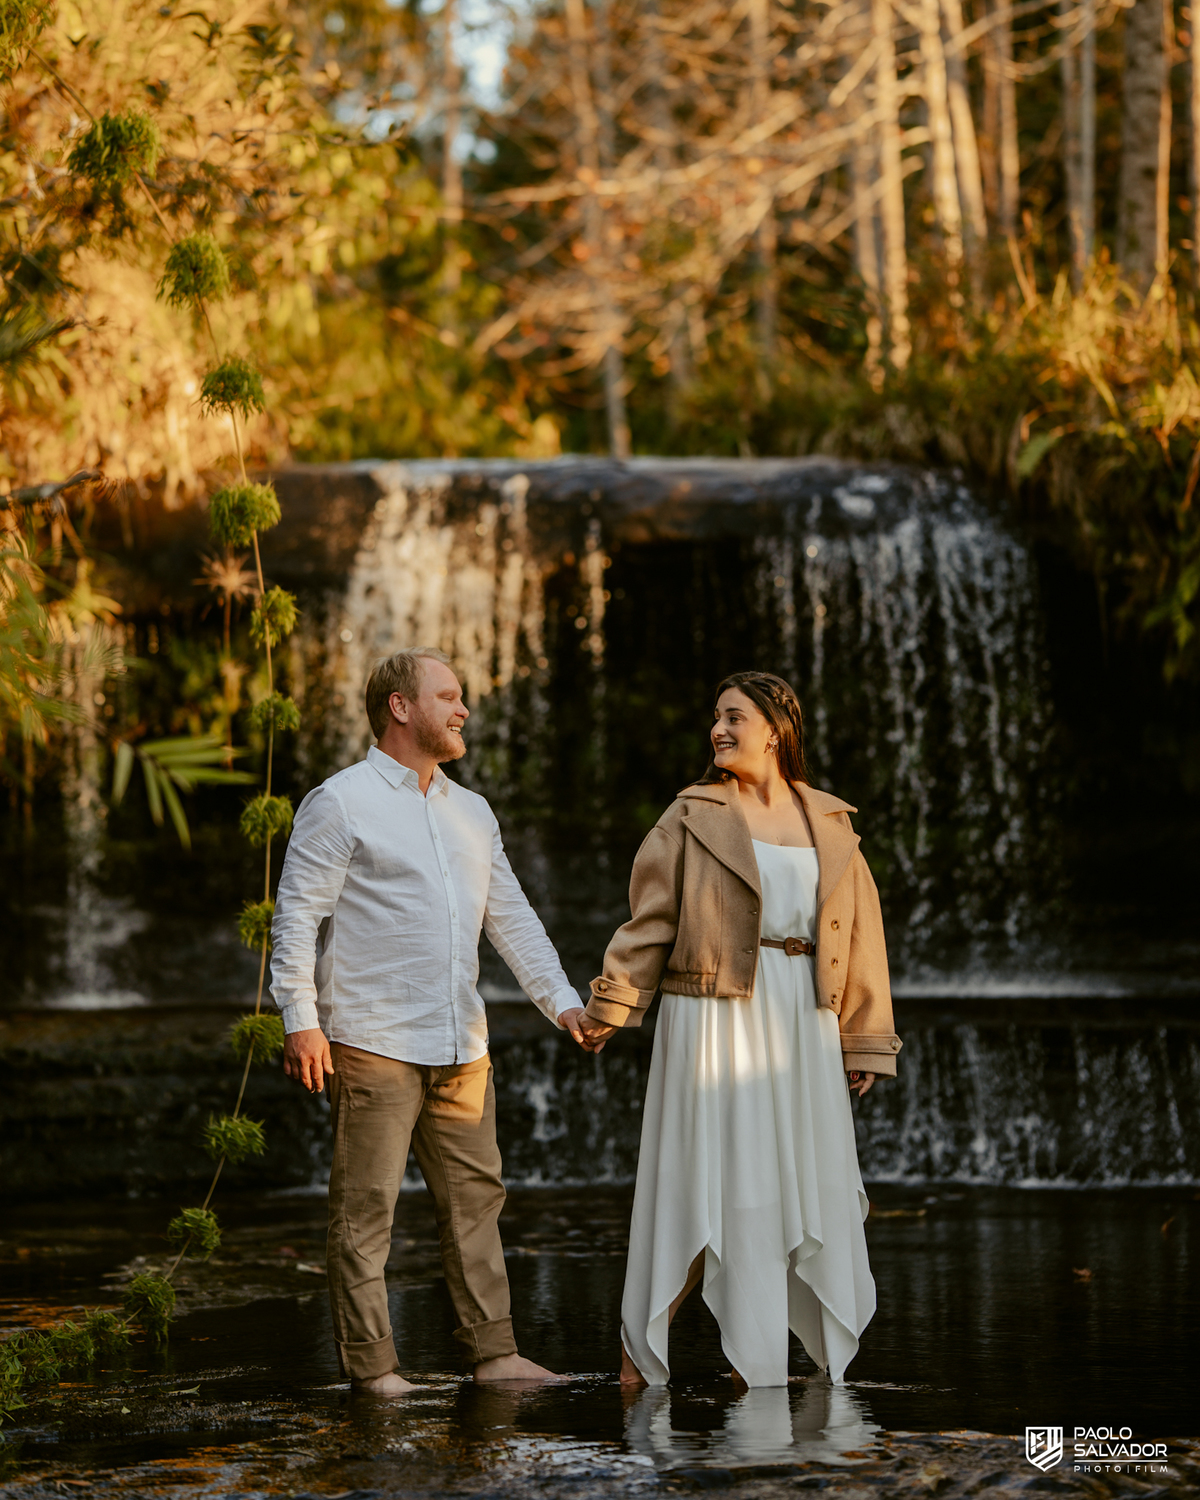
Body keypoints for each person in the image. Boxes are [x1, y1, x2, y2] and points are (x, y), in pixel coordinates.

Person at [271, 646, 589, 1395]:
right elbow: (296, 918)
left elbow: (511, 920)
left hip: (461, 1043)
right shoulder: (340, 800)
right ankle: (375, 1371)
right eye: (447, 696)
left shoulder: (472, 811)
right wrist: (300, 1020)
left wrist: (564, 1002)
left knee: (477, 1207)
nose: (463, 709)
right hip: (371, 1038)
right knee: (365, 1214)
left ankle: (496, 1356)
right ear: (400, 707)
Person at [578, 671, 901, 1389]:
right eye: (715, 718)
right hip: (713, 1018)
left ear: (777, 728)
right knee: (700, 1184)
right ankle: (640, 1355)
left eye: (734, 717)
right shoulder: (691, 813)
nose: (718, 730)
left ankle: (762, 1364)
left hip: (803, 1022)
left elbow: (863, 936)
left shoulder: (832, 822)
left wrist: (865, 1037)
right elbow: (650, 920)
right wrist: (613, 1004)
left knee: (794, 1188)